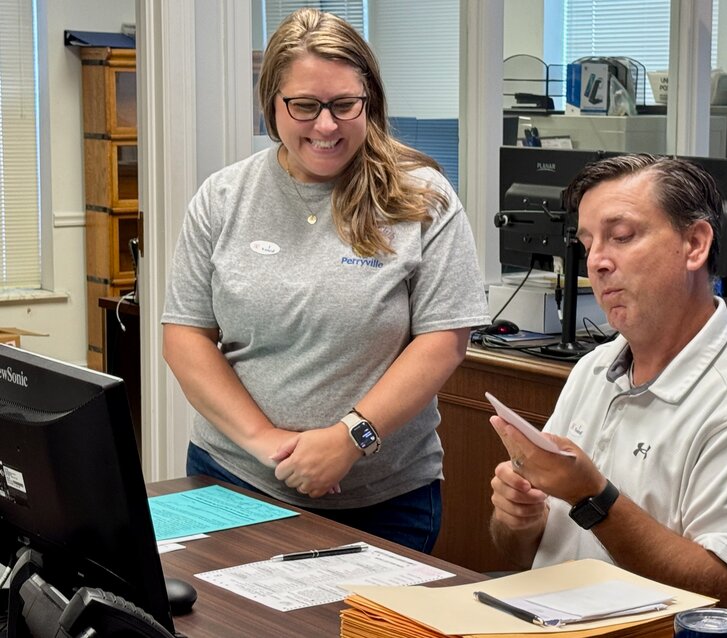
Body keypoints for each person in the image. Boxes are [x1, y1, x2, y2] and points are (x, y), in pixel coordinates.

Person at [161, 7, 489, 553]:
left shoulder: (420, 196)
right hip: (233, 479)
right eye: (305, 106)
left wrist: (352, 438)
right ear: (271, 105)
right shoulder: (223, 198)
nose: (326, 125)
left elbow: (443, 340)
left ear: (371, 102)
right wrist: (269, 445)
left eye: (344, 105)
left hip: (383, 502)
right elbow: (186, 337)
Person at [488, 154, 727, 638]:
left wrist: (592, 497)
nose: (596, 260)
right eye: (587, 242)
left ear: (695, 244)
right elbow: (518, 557)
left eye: (621, 237)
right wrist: (518, 520)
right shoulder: (592, 370)